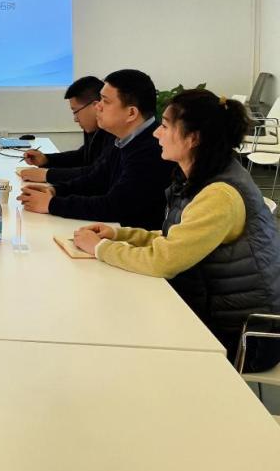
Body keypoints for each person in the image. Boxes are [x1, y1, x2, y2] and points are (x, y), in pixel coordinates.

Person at [72, 89, 280, 371]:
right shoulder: (203, 176)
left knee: (115, 326)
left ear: (193, 138)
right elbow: (178, 239)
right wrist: (118, 235)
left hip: (244, 337)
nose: (157, 133)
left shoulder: (219, 194)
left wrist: (99, 248)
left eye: (165, 126)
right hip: (218, 315)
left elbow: (164, 261)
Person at [18, 69, 174, 229]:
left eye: (105, 101)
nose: (98, 106)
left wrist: (52, 204)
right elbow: (96, 179)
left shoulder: (152, 150)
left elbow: (114, 206)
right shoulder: (124, 139)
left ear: (131, 113)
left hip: (132, 238)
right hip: (115, 231)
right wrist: (54, 191)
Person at [19, 75, 113, 183]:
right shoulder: (93, 128)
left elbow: (96, 174)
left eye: (75, 111)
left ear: (95, 106)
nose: (75, 119)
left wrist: (48, 175)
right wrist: (46, 159)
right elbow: (82, 157)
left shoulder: (113, 133)